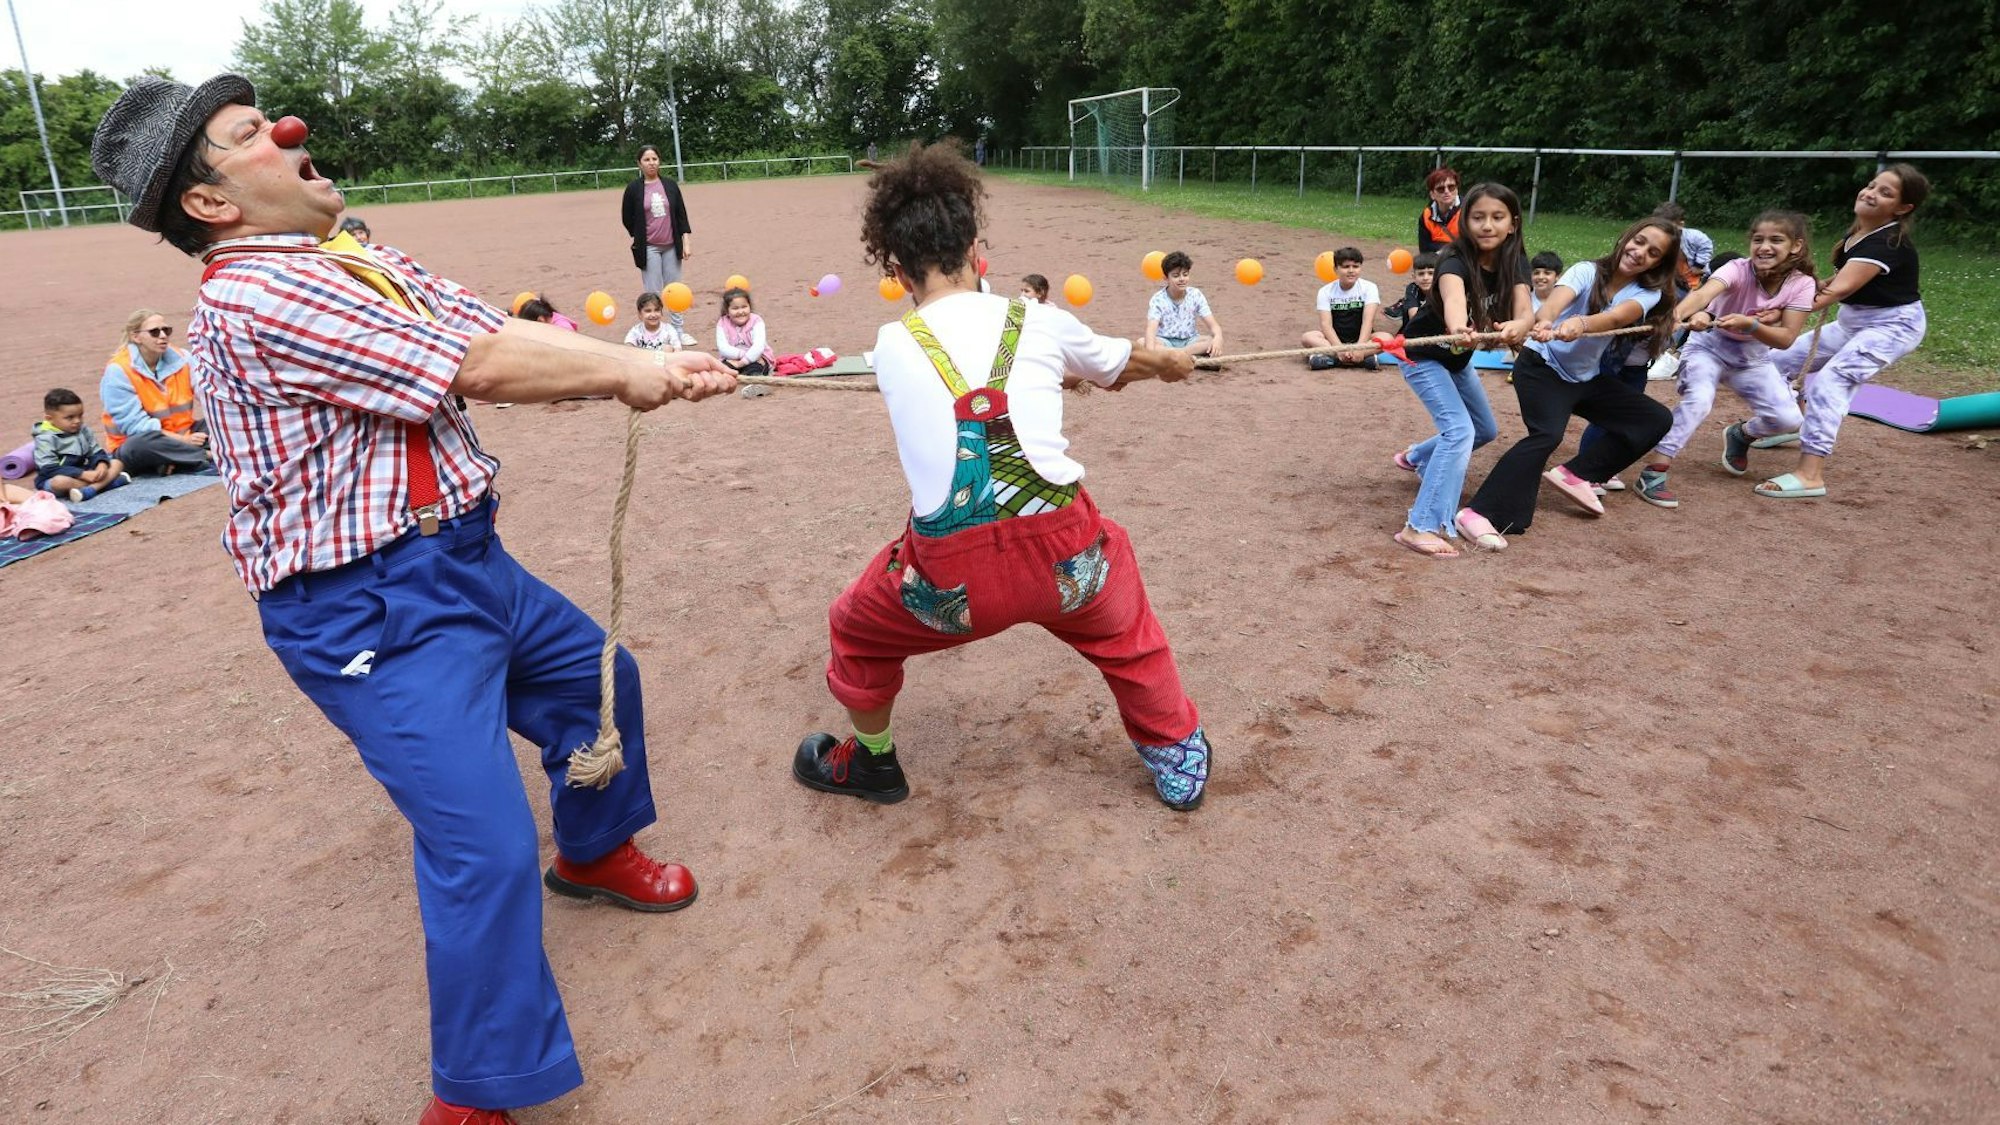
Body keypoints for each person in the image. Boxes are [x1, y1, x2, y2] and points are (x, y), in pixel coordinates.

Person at [92, 74, 735, 1125]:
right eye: (255, 135)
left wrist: (647, 360)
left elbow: (481, 323)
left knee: (597, 679)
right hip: (368, 609)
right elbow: (478, 363)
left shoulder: (349, 255)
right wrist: (623, 373)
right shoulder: (259, 293)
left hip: (464, 560)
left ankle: (593, 849)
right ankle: (474, 1095)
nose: (291, 134)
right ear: (209, 204)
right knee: (480, 848)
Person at [792, 142, 1213, 813]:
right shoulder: (1039, 319)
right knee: (1125, 620)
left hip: (951, 589)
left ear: (897, 273)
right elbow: (1125, 362)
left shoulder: (892, 344)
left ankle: (872, 762)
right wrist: (1168, 366)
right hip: (1067, 565)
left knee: (854, 625)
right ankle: (1177, 755)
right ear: (979, 253)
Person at [1459, 217, 1680, 543]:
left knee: (1654, 419)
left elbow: (1617, 317)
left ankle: (1577, 474)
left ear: (1660, 263)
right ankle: (1478, 513)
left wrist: (1580, 324)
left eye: (1653, 252)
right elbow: (1552, 305)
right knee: (1547, 435)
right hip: (1540, 367)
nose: (1640, 252)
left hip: (1584, 378)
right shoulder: (1586, 271)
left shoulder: (1647, 293)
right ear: (1627, 237)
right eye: (1639, 241)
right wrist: (1547, 321)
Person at [1756, 164, 1930, 500]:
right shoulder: (1859, 235)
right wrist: (1785, 302)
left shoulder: (1887, 245)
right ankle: (1797, 425)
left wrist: (1783, 311)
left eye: (1885, 192)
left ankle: (1810, 474)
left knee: (1830, 382)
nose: (1870, 193)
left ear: (1902, 208)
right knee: (1777, 362)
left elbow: (1837, 292)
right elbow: (1835, 283)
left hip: (1892, 327)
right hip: (1855, 322)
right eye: (1871, 185)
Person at [1384, 183, 1533, 558]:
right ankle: (1419, 526)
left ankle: (1417, 458)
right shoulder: (1454, 259)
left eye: (1497, 217)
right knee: (1459, 430)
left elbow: (1524, 308)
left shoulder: (1515, 262)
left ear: (1512, 224)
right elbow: (1452, 298)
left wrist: (1521, 325)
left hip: (1456, 360)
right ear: (1465, 223)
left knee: (1484, 429)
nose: (1487, 225)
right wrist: (1457, 327)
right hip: (1424, 355)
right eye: (1477, 217)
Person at [1634, 211, 1816, 508]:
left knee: (1789, 419)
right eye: (1758, 239)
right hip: (1708, 347)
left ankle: (1742, 434)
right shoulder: (1737, 268)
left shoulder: (1802, 284)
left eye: (1775, 240)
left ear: (1795, 246)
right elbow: (1703, 294)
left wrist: (1751, 325)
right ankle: (1655, 471)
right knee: (1700, 399)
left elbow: (1786, 338)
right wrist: (1678, 317)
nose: (1764, 247)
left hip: (1753, 358)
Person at [101, 309, 214, 476]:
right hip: (141, 442)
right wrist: (184, 441)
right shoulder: (118, 371)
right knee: (141, 445)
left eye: (166, 330)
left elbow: (207, 392)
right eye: (154, 332)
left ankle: (175, 461)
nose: (163, 336)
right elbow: (136, 427)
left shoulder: (182, 357)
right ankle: (208, 455)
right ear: (135, 337)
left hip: (185, 433)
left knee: (219, 421)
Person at [620, 144, 694, 345]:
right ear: (639, 163)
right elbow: (627, 217)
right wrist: (641, 236)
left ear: (659, 161)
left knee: (674, 290)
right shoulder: (634, 188)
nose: (651, 163)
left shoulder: (670, 185)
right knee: (653, 293)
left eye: (654, 159)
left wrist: (685, 241)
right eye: (646, 160)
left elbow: (681, 215)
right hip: (649, 248)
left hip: (672, 246)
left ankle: (678, 331)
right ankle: (655, 333)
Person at [32, 387, 130, 501]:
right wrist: (82, 474)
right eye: (70, 417)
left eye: (80, 415)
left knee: (116, 463)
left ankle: (90, 490)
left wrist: (101, 464)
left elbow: (96, 451)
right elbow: (48, 469)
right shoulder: (45, 438)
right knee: (59, 482)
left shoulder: (83, 430)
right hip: (56, 477)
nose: (77, 421)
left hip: (85, 471)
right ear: (50, 419)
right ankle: (108, 483)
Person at [1303, 247, 1381, 370]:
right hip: (1334, 339)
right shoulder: (1325, 291)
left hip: (1362, 339)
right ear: (1336, 269)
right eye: (1346, 267)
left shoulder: (1370, 287)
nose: (1351, 271)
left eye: (1355, 266)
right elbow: (1326, 325)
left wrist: (1360, 348)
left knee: (1386, 338)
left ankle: (1333, 360)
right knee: (1308, 337)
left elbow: (1368, 321)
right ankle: (1361, 360)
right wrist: (1339, 348)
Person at [1143, 251, 1222, 357]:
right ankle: (1183, 355)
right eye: (1176, 276)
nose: (1181, 279)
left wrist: (1218, 338)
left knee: (1210, 340)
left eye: (1185, 275)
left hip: (1190, 341)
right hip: (1165, 341)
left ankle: (1176, 355)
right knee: (1142, 342)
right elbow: (1151, 330)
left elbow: (1214, 326)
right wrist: (1150, 355)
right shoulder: (1158, 299)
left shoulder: (1196, 295)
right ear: (1166, 278)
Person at [714, 287, 775, 376]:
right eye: (735, 308)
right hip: (732, 358)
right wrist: (741, 355)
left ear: (749, 306)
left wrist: (743, 362)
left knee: (755, 368)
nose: (741, 311)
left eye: (744, 307)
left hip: (755, 358)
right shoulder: (722, 323)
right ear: (727, 310)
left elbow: (758, 347)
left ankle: (757, 384)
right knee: (721, 370)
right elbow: (723, 348)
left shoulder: (756, 321)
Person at [1378, 251, 1437, 332]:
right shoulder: (1413, 288)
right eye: (1421, 274)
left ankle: (1402, 305)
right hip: (1412, 332)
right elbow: (1414, 317)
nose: (1425, 278)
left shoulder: (1443, 290)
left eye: (1431, 273)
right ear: (1414, 277)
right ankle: (1403, 304)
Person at [1416, 167, 1463, 255]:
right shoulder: (1426, 215)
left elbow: (1469, 245)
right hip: (1436, 260)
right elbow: (1424, 250)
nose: (1447, 191)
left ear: (1457, 190)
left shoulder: (1468, 211)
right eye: (1441, 189)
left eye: (1451, 187)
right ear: (1432, 195)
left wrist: (1437, 247)